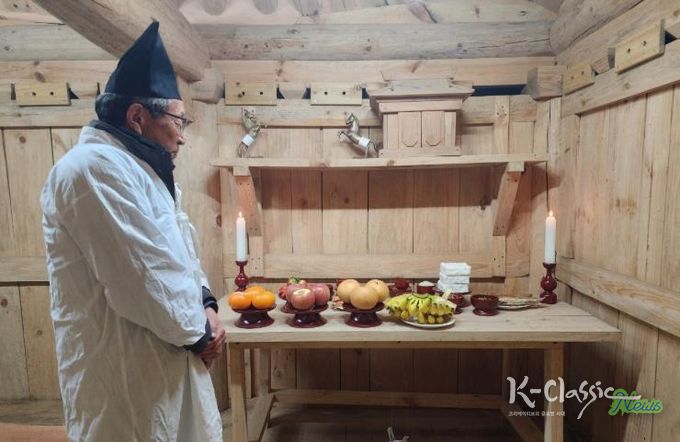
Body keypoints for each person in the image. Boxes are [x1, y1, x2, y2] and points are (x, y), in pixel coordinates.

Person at [40, 22, 224, 441]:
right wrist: (201, 334)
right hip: (122, 370)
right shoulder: (91, 170)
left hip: (171, 353)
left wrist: (207, 306)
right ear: (138, 117)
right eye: (179, 121)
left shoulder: (144, 171)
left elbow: (182, 255)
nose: (183, 136)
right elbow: (142, 279)